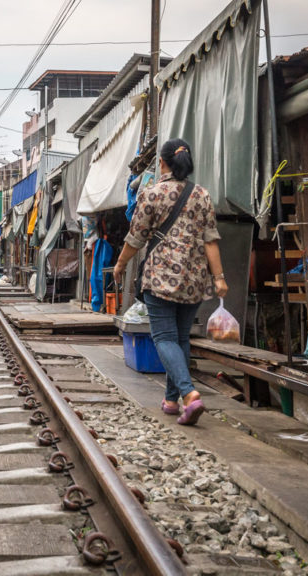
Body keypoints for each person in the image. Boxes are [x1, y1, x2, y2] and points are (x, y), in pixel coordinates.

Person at [113, 138, 227, 426]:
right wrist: (219, 278)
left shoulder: (151, 194)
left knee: (163, 338)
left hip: (160, 278)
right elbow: (210, 240)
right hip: (195, 279)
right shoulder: (202, 195)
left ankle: (189, 395)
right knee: (179, 338)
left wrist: (121, 264)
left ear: (162, 163)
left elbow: (136, 239)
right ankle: (171, 400)